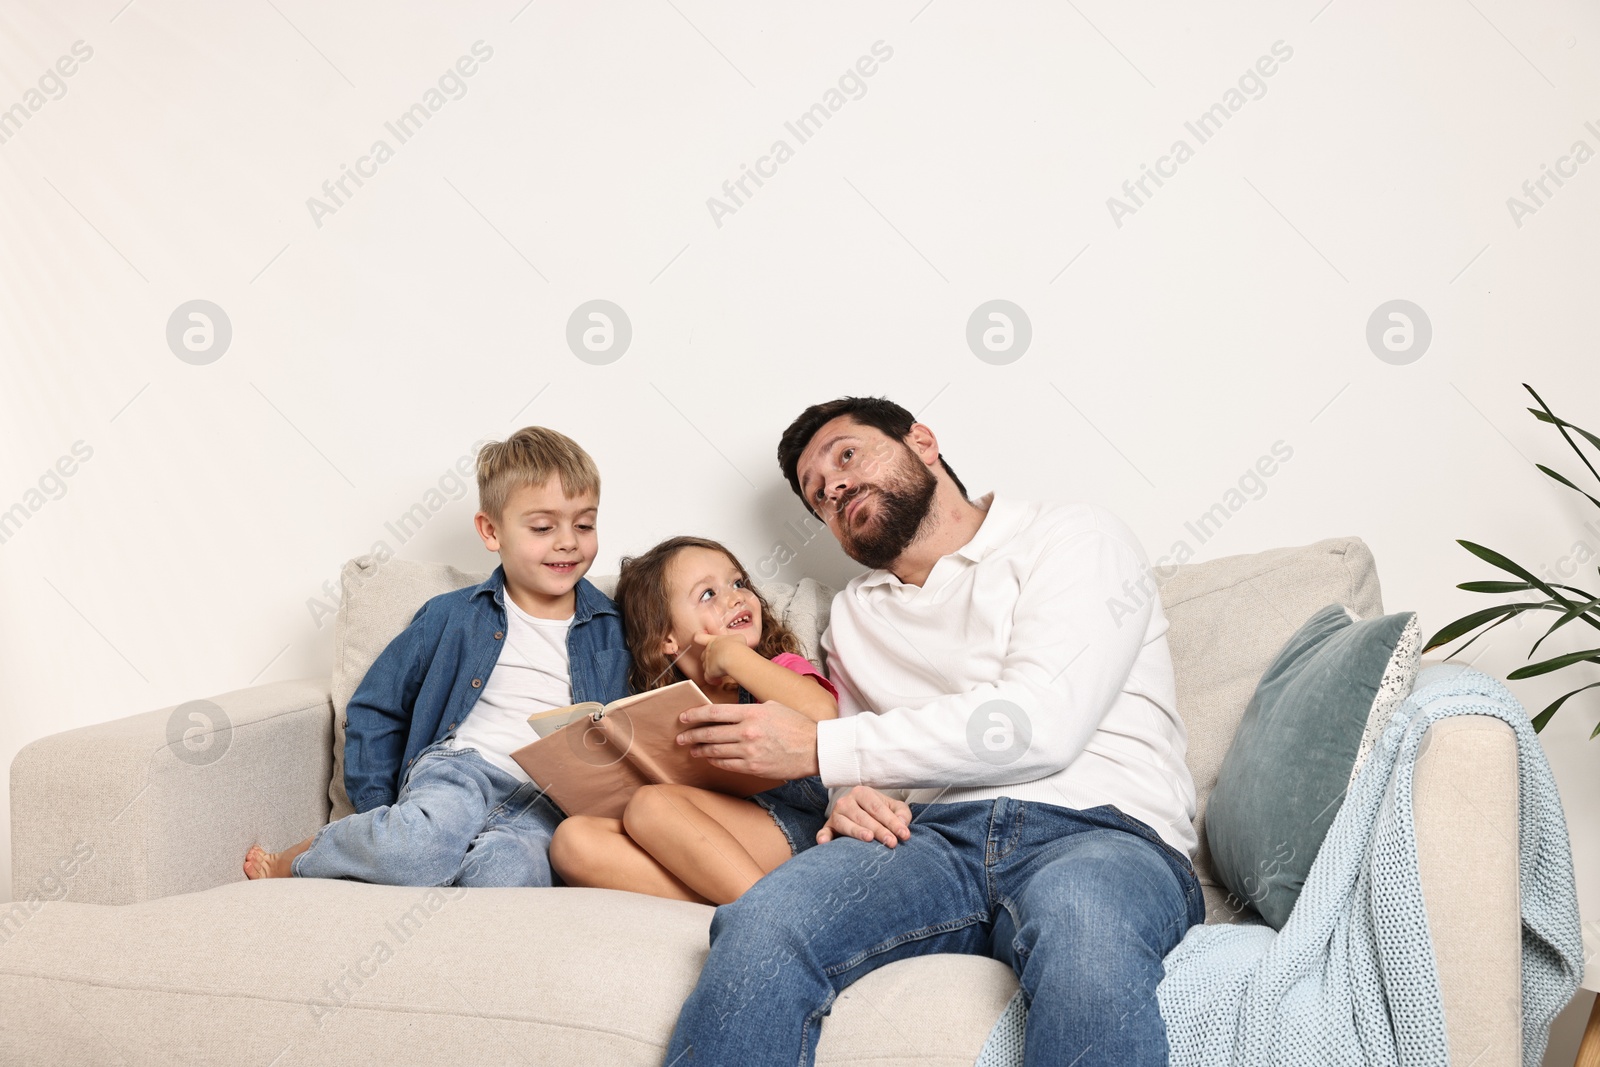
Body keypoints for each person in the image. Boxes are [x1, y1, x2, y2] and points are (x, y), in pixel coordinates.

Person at [662, 396, 1203, 1067]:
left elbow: (1040, 721)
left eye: (847, 454)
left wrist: (823, 750)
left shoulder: (1073, 536)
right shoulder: (854, 619)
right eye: (817, 495)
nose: (831, 486)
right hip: (927, 841)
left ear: (921, 441)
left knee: (1086, 935)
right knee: (763, 922)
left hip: (1099, 831)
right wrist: (846, 796)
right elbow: (868, 755)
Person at [243, 426, 631, 888]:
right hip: (462, 772)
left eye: (584, 524)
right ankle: (307, 854)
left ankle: (449, 882)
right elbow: (376, 707)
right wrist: (381, 811)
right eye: (544, 527)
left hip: (545, 801)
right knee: (417, 849)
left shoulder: (615, 626)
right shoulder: (451, 617)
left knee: (510, 876)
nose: (569, 541)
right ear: (491, 530)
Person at [549, 536, 839, 904]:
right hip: (716, 847)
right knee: (571, 842)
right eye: (708, 594)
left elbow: (824, 716)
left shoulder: (776, 669)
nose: (735, 597)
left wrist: (733, 657)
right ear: (667, 638)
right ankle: (741, 897)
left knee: (650, 805)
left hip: (800, 826)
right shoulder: (663, 707)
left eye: (739, 583)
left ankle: (769, 914)